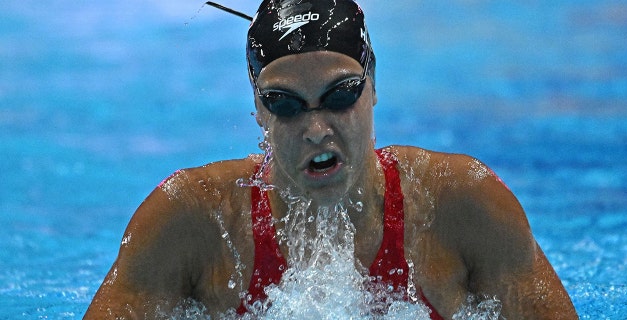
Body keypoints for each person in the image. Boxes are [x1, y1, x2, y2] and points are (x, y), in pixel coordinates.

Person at [85, 0, 578, 318]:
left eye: (339, 95)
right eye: (285, 103)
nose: (317, 129)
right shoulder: (193, 222)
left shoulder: (461, 206)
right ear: (257, 108)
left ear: (373, 86)